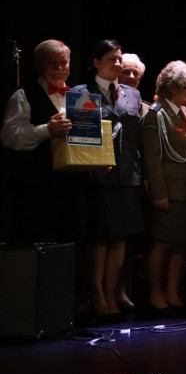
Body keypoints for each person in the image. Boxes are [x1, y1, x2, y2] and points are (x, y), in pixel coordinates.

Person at [68, 40, 145, 319]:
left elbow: (137, 139)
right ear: (96, 62)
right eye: (111, 59)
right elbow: (80, 140)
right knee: (100, 237)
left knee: (120, 238)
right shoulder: (81, 93)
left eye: (119, 58)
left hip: (128, 175)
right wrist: (94, 165)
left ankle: (113, 293)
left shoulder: (132, 95)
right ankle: (97, 294)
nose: (117, 64)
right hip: (98, 176)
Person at [1, 39, 84, 247]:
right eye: (51, 63)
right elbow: (10, 136)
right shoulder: (23, 95)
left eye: (63, 63)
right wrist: (46, 130)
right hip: (38, 190)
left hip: (73, 190)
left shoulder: (79, 98)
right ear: (39, 65)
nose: (59, 68)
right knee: (41, 248)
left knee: (71, 248)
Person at [141, 61, 186, 312]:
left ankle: (172, 291)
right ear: (172, 89)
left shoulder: (184, 113)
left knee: (183, 243)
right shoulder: (156, 115)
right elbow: (152, 159)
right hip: (168, 192)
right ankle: (156, 292)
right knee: (162, 242)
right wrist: (159, 193)